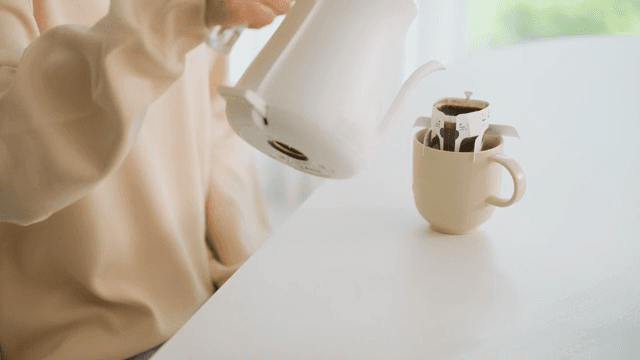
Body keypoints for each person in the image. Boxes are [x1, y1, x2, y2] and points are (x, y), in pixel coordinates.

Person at [0, 0, 291, 359]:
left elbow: (212, 115)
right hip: (81, 348)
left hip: (203, 319)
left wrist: (250, 279)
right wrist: (180, 12)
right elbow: (11, 166)